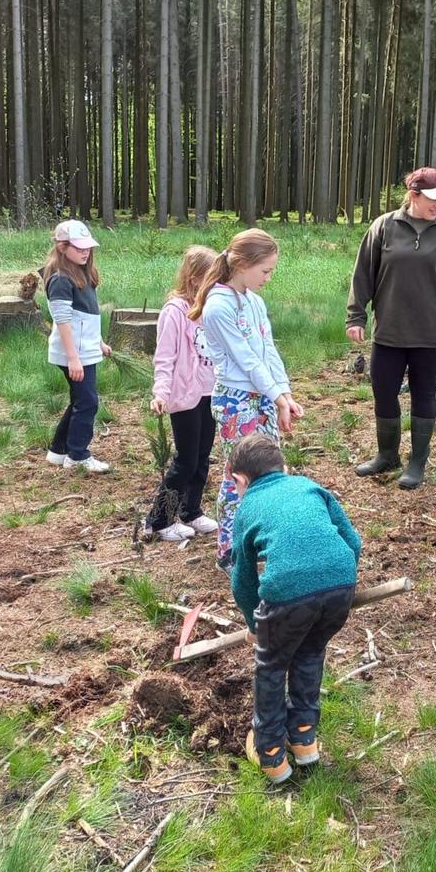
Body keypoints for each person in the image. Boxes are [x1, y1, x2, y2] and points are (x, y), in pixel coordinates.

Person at [227, 434, 359, 785]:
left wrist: (253, 622)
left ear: (239, 480)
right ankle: (304, 740)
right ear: (283, 468)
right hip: (340, 588)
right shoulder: (310, 486)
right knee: (310, 654)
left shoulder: (246, 508)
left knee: (271, 667)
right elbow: (353, 542)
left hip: (286, 597)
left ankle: (271, 755)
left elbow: (242, 580)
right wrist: (335, 582)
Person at [346, 167, 436, 490]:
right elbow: (363, 275)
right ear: (413, 195)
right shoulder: (384, 227)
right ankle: (387, 455)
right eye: (433, 199)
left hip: (431, 336)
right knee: (383, 391)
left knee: (423, 395)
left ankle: (418, 462)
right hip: (389, 331)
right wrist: (356, 316)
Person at [189, 229, 304, 568]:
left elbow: (268, 351)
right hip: (236, 401)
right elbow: (247, 361)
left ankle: (258, 542)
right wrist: (277, 397)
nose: (268, 277)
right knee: (239, 475)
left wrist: (283, 394)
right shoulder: (217, 307)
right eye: (265, 271)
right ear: (241, 263)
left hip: (263, 397)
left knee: (268, 473)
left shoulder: (254, 301)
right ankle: (230, 552)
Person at [146, 246, 220, 542]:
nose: (217, 284)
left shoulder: (210, 310)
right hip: (184, 396)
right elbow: (164, 359)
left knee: (202, 458)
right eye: (211, 277)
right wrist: (160, 392)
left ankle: (191, 511)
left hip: (209, 394)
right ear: (193, 278)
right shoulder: (174, 312)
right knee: (185, 461)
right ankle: (160, 520)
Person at [41, 219, 112, 473]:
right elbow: (63, 319)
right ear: (62, 247)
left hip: (86, 348)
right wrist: (73, 358)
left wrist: (100, 342)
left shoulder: (81, 271)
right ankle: (78, 456)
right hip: (75, 353)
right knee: (88, 402)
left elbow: (86, 317)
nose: (85, 252)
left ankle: (59, 451)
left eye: (88, 247)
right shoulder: (60, 278)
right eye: (79, 247)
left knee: (79, 401)